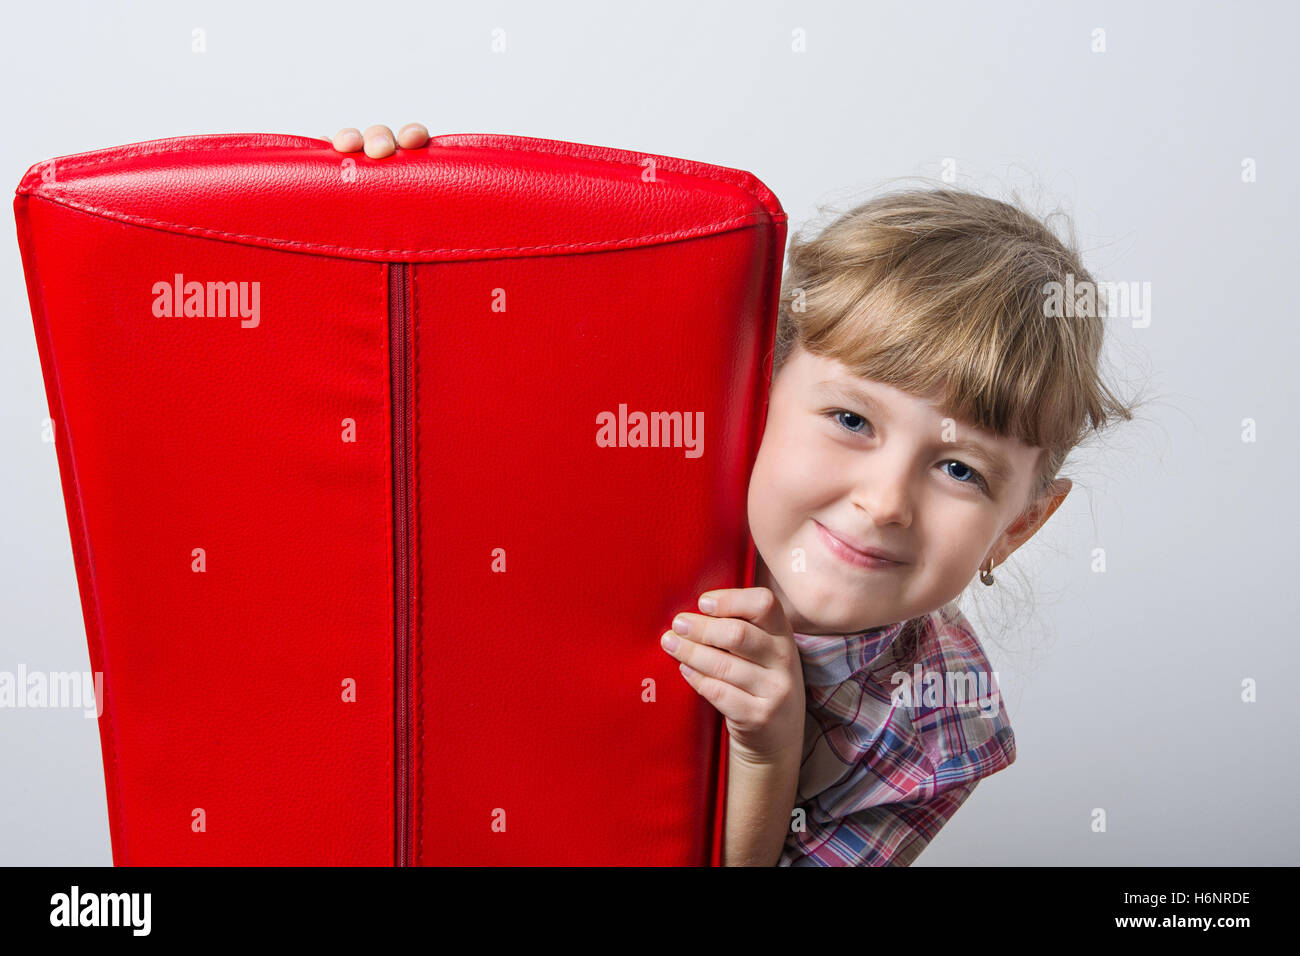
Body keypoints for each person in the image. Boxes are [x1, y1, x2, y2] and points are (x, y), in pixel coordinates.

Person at [333, 124, 1137, 865]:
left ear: (1020, 526)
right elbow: (448, 387)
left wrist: (765, 754)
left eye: (961, 470)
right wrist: (382, 198)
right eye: (852, 418)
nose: (886, 501)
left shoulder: (939, 725)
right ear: (752, 392)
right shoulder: (626, 474)